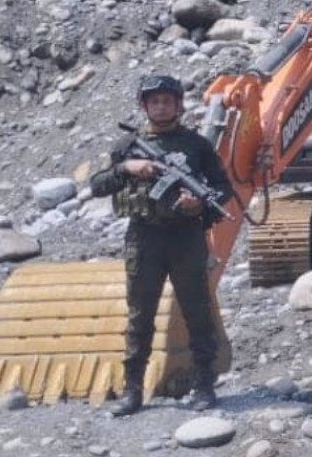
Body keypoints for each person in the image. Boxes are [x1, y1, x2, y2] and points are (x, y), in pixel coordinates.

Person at [90, 75, 234, 416]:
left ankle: (204, 385)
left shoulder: (196, 145)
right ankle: (133, 390)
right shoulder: (129, 145)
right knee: (140, 315)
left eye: (167, 101)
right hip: (145, 237)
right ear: (144, 106)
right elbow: (97, 185)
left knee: (197, 312)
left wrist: (197, 204)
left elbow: (222, 187)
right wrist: (128, 168)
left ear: (178, 105)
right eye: (154, 101)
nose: (161, 107)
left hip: (186, 237)